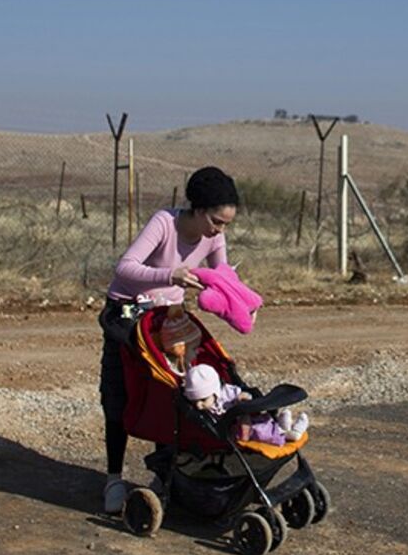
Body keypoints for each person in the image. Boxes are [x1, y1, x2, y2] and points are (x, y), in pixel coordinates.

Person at [98, 166, 238, 514]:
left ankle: (164, 476)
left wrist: (240, 301)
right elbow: (125, 267)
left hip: (169, 319)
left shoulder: (214, 236)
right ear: (198, 209)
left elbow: (221, 277)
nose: (219, 231)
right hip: (128, 315)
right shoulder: (165, 223)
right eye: (216, 222)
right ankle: (114, 479)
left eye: (225, 225)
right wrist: (170, 274)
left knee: (171, 394)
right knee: (118, 392)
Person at [182, 365, 310, 445]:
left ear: (215, 392)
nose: (198, 405)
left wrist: (244, 397)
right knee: (262, 430)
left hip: (249, 422)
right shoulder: (204, 408)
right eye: (195, 402)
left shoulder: (228, 393)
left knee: (262, 431)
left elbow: (245, 396)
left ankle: (293, 432)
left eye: (203, 400)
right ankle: (283, 428)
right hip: (234, 431)